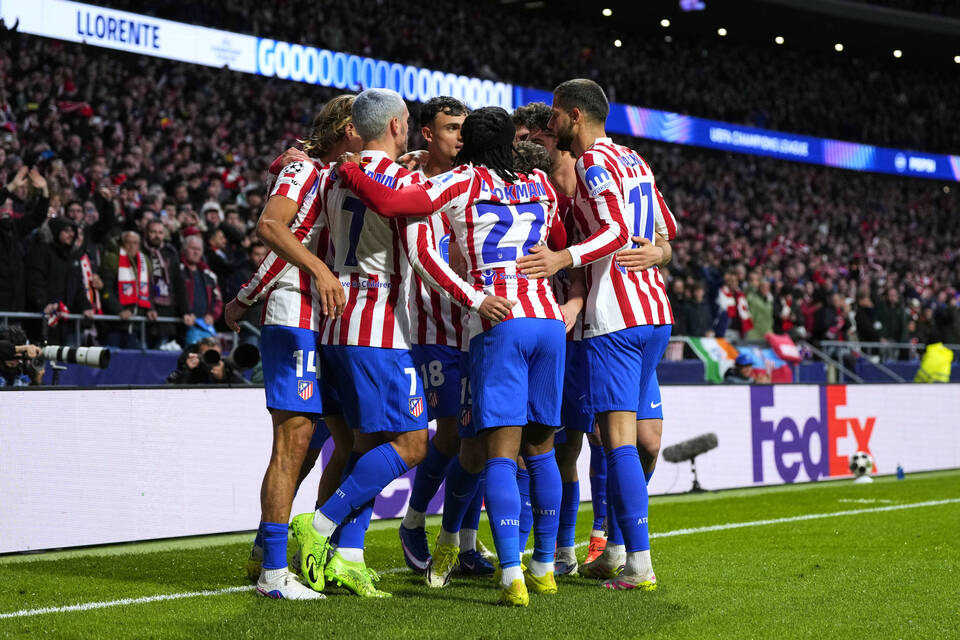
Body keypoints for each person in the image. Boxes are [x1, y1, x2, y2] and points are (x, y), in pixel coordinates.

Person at [335, 105, 571, 606]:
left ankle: (511, 577)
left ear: (468, 144)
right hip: (549, 322)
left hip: (498, 320)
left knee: (498, 454)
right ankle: (544, 566)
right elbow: (558, 240)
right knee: (541, 451)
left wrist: (352, 169)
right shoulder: (542, 185)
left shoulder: (461, 181)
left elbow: (394, 204)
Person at [287, 89, 460, 599]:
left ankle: (350, 556)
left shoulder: (333, 176)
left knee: (367, 444)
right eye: (405, 121)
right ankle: (319, 524)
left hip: (335, 323)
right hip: (380, 330)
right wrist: (470, 298)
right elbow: (424, 259)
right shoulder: (405, 182)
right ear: (396, 126)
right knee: (413, 443)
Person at [515, 79, 677, 592]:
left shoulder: (593, 162)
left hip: (615, 318)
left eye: (555, 116)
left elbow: (615, 231)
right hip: (654, 312)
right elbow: (665, 228)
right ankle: (618, 552)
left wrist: (563, 257)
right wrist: (659, 252)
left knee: (619, 444)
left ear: (575, 116)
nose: (551, 124)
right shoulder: (635, 159)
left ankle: (638, 563)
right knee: (615, 442)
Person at [222, 94, 358, 599]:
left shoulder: (338, 175)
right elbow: (273, 229)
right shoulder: (303, 170)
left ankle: (280, 546)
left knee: (337, 439)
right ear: (346, 127)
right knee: (294, 441)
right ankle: (274, 574)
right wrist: (248, 297)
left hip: (326, 319)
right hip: (294, 313)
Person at [390, 96, 495, 583]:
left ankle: (466, 544)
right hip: (431, 326)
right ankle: (413, 522)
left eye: (464, 129)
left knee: (478, 437)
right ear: (427, 134)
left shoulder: (479, 179)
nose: (460, 137)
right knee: (452, 433)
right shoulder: (409, 178)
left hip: (478, 326)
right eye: (451, 128)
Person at [99, 230, 154, 348]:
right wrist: (119, 310)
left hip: (137, 324)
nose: (132, 246)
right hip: (115, 323)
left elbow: (149, 290)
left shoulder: (144, 262)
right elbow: (106, 290)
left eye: (135, 243)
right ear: (122, 244)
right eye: (128, 243)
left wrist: (151, 309)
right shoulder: (112, 260)